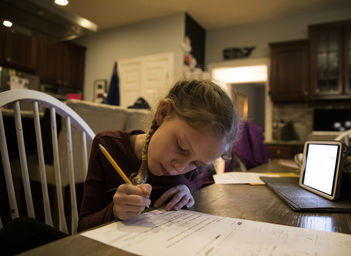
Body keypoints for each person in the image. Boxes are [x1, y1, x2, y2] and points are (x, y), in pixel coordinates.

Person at [78, 79, 238, 231]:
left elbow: (206, 192)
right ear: (163, 113)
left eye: (196, 163)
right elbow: (83, 226)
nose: (179, 168)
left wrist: (189, 192)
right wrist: (114, 211)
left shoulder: (195, 167)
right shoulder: (108, 145)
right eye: (181, 148)